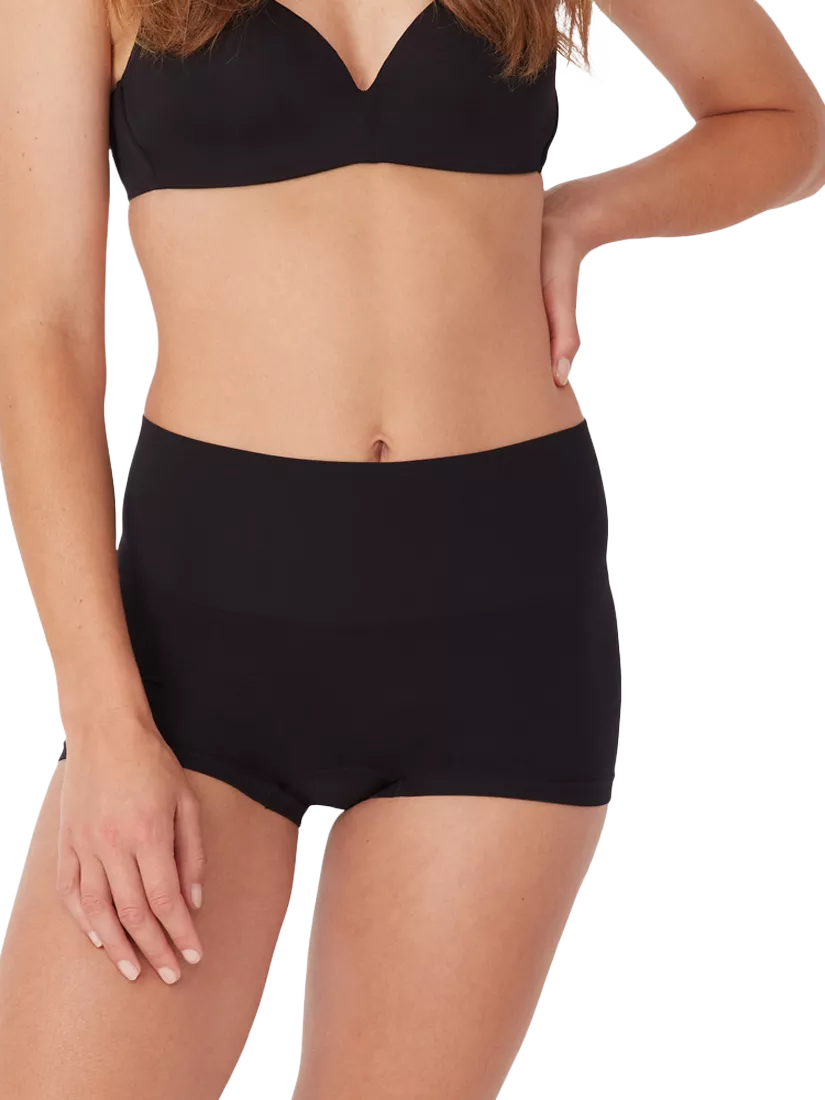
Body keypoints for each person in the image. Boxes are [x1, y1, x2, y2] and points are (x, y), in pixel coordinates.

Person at [0, 0, 822, 1096]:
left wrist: (582, 214)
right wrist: (104, 725)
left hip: (503, 624)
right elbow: (42, 335)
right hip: (199, 643)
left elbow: (784, 122)